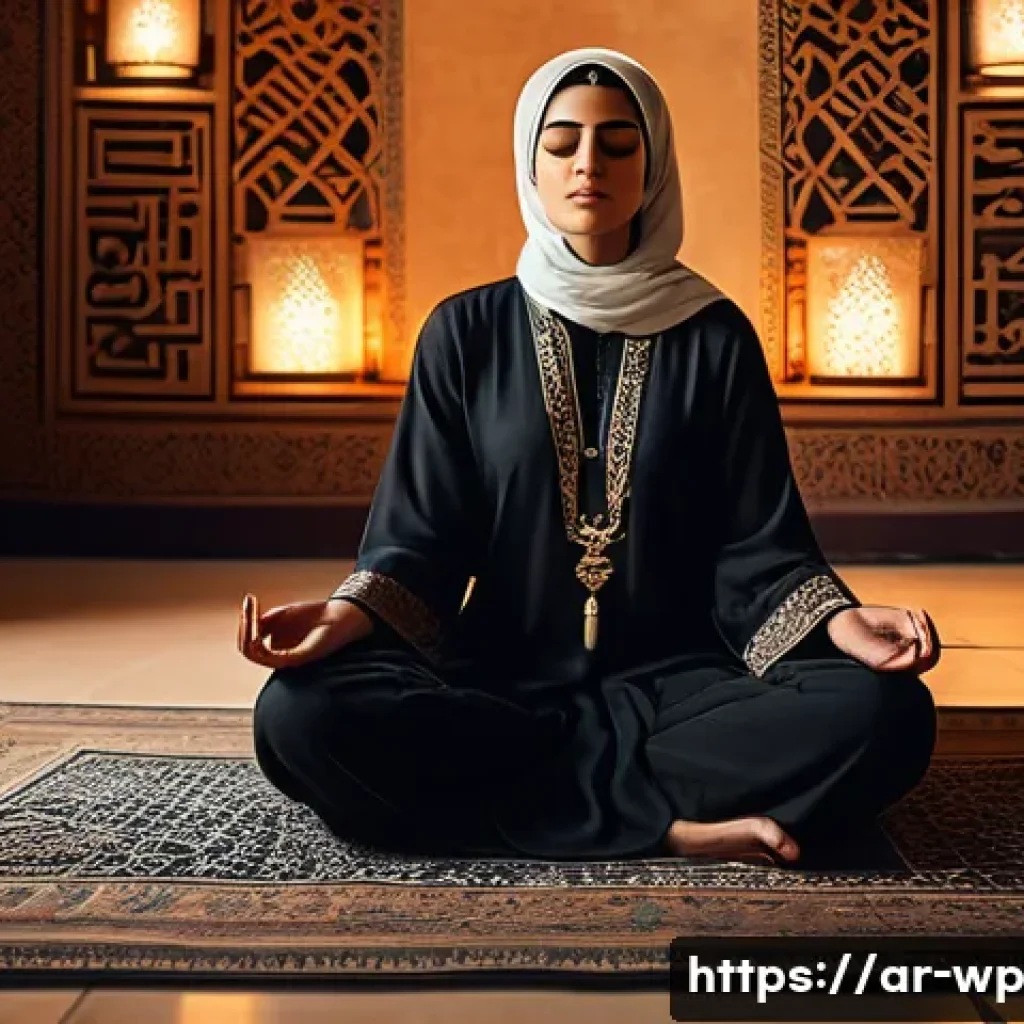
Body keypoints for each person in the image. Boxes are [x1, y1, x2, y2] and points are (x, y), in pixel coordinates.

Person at [240, 48, 940, 868]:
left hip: (687, 691)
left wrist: (838, 621)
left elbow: (760, 547)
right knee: (298, 717)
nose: (587, 166)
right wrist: (345, 615)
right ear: (528, 164)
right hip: (501, 683)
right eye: (562, 142)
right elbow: (421, 542)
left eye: (616, 144)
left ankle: (528, 809)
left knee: (888, 716)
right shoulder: (464, 334)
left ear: (654, 162)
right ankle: (671, 827)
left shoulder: (715, 337)